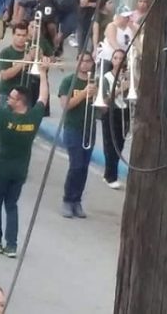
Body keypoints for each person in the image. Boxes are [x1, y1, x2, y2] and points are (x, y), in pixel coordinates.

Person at [0, 55, 47, 258]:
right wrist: (43, 73)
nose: (7, 99)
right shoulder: (34, 118)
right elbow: (43, 98)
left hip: (0, 168)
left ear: (20, 102)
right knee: (12, 205)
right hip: (20, 170)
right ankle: (12, 245)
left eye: (11, 97)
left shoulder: (4, 116)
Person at [58, 53, 97, 218]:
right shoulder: (69, 81)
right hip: (73, 128)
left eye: (88, 61)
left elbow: (103, 107)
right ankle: (68, 200)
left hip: (89, 129)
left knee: (84, 167)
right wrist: (83, 93)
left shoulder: (95, 82)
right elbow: (66, 105)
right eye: (81, 61)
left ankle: (77, 201)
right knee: (76, 165)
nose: (85, 64)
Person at [100, 49, 130, 190]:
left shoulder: (128, 76)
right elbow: (105, 99)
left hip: (125, 111)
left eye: (121, 58)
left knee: (120, 143)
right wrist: (120, 90)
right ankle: (110, 176)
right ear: (112, 60)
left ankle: (111, 173)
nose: (118, 60)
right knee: (110, 145)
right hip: (111, 112)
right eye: (116, 58)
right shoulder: (106, 77)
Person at [96, 5, 135, 71]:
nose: (127, 19)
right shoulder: (112, 26)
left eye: (128, 17)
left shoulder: (131, 27)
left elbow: (136, 41)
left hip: (124, 59)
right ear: (118, 16)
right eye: (124, 17)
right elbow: (112, 41)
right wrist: (121, 54)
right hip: (109, 58)